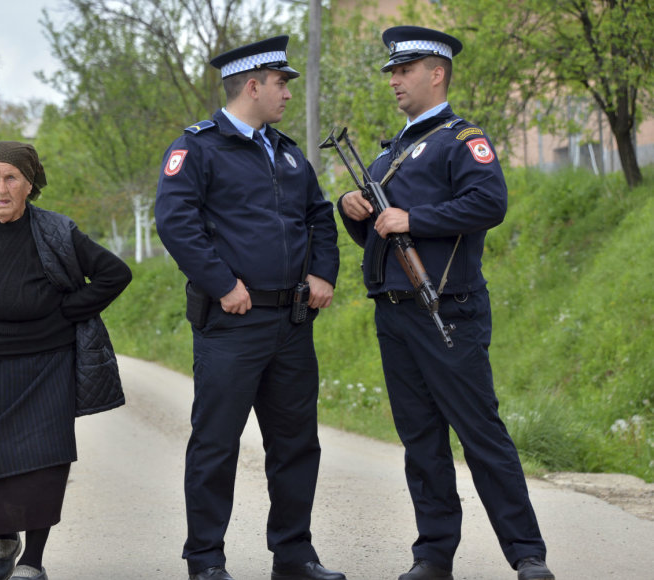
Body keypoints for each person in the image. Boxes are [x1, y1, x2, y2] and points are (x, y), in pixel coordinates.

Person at [335, 26, 555, 580]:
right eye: (391, 71)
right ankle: (433, 554)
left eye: (404, 70)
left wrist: (414, 218)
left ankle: (527, 553)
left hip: (447, 308)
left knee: (480, 433)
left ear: (436, 72)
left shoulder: (462, 138)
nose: (394, 80)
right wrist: (353, 210)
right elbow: (379, 241)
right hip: (395, 311)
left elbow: (490, 201)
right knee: (420, 440)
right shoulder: (391, 152)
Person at [155, 36, 344, 580]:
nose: (287, 93)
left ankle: (294, 554)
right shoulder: (197, 149)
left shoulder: (286, 152)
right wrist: (221, 283)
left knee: (296, 445)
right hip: (232, 324)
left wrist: (322, 273)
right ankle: (206, 561)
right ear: (253, 85)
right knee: (216, 445)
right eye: (282, 83)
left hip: (291, 320)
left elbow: (319, 216)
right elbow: (175, 223)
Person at [0, 141, 132, 580]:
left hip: (46, 367)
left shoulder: (55, 230)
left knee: (41, 465)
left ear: (29, 185)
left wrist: (70, 310)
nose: (0, 188)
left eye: (11, 178)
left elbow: (115, 273)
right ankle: (4, 537)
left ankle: (32, 561)